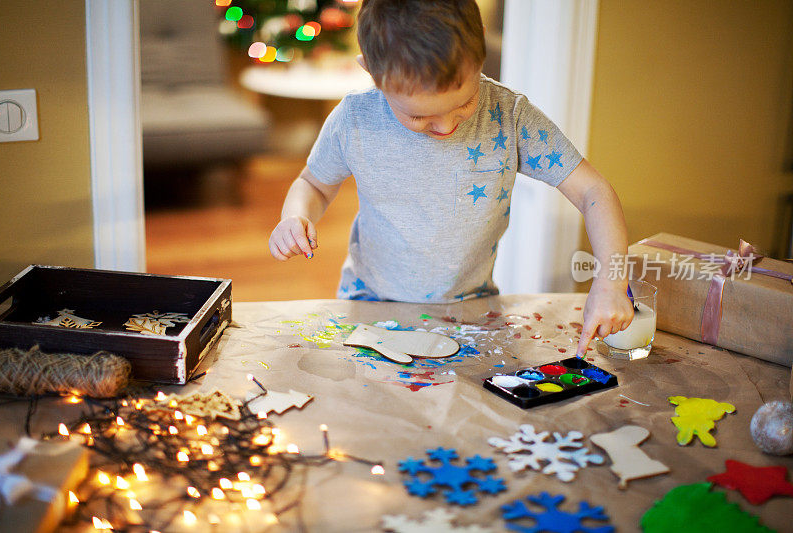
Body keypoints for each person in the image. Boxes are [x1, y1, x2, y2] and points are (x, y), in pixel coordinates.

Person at [268, 0, 633, 356]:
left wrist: (612, 281)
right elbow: (313, 184)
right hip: (371, 306)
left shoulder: (510, 116)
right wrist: (294, 217)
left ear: (480, 52)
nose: (445, 126)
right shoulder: (355, 119)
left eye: (464, 102)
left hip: (471, 310)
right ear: (372, 72)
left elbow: (592, 190)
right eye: (417, 117)